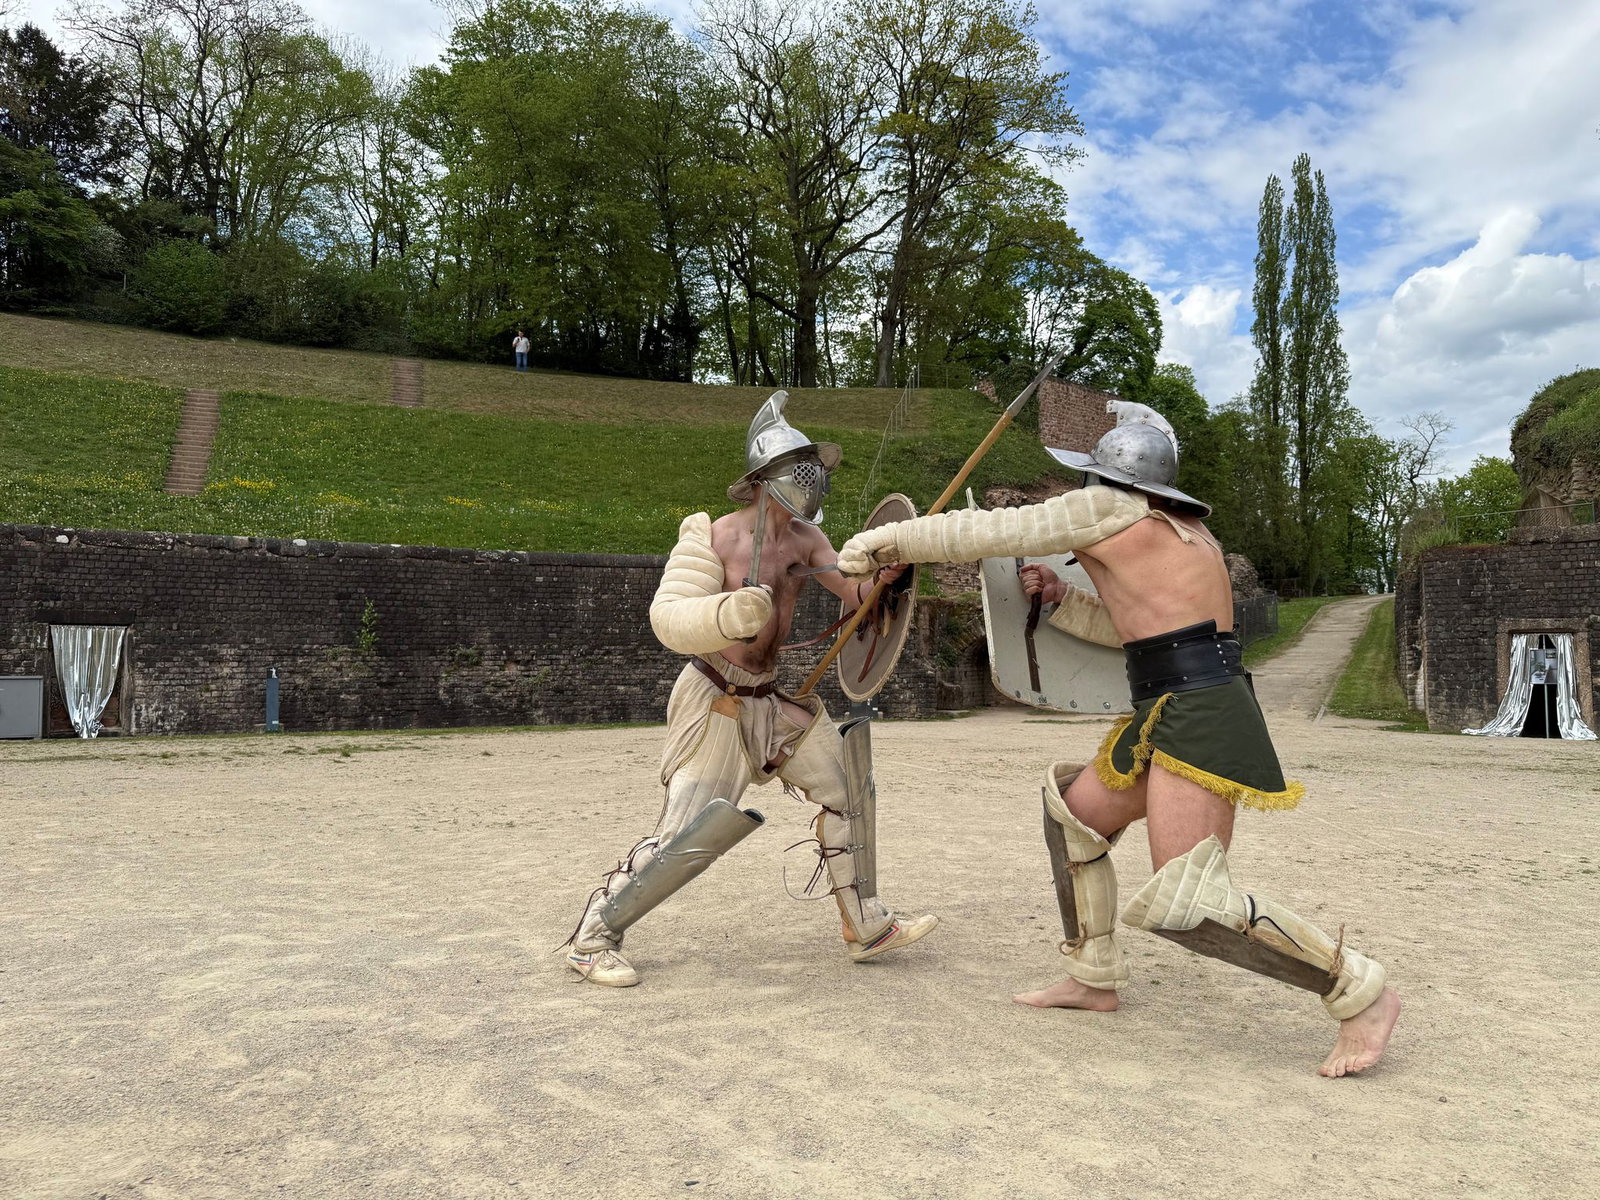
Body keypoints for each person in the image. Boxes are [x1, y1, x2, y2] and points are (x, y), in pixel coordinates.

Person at [837, 401, 1399, 1077]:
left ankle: (1358, 990)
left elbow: (996, 528)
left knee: (1188, 901)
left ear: (1107, 482)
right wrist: (1060, 601)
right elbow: (1140, 630)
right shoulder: (1179, 530)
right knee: (1073, 814)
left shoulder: (1110, 511)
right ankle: (1093, 975)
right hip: (1171, 698)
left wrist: (886, 545)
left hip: (1199, 712)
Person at [561, 391, 938, 987]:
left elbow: (860, 604)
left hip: (772, 700)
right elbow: (674, 615)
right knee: (686, 831)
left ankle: (864, 923)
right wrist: (727, 614)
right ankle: (592, 939)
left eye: (815, 471)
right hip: (716, 697)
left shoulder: (808, 541)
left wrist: (887, 578)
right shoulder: (713, 536)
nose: (810, 482)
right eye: (798, 470)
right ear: (764, 478)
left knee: (846, 790)